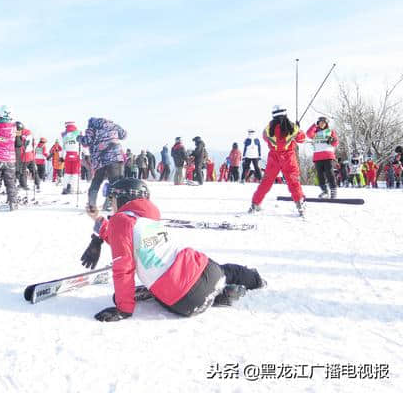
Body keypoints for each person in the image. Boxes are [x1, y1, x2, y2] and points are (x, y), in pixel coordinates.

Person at [80, 178, 266, 321]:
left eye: (112, 199)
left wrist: (123, 309)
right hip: (207, 270)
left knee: (159, 294)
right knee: (226, 270)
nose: (110, 205)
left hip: (184, 303)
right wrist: (99, 221)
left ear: (123, 198)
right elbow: (126, 239)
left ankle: (222, 296)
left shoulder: (121, 221)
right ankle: (255, 280)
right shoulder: (148, 218)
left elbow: (123, 268)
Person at [249, 106, 306, 216]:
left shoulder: (268, 128)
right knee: (293, 181)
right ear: (285, 114)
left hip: (273, 158)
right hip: (289, 157)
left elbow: (265, 138)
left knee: (266, 181)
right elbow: (302, 138)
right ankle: (300, 204)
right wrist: (298, 128)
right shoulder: (292, 127)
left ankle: (255, 204)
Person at [78, 117, 126, 209]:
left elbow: (87, 141)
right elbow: (124, 135)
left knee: (97, 181)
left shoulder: (92, 128)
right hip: (115, 157)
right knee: (115, 182)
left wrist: (79, 138)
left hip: (100, 159)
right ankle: (110, 204)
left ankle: (92, 204)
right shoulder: (114, 126)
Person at [306, 117, 339, 198]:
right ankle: (324, 191)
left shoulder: (330, 131)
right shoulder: (315, 132)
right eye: (320, 122)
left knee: (329, 173)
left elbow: (336, 142)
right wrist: (314, 125)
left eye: (324, 122)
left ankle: (333, 190)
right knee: (320, 175)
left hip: (328, 155)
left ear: (326, 124)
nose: (322, 124)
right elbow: (308, 134)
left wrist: (332, 140)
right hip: (318, 156)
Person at [61, 121, 81, 194]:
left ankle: (65, 188)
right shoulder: (78, 133)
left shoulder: (65, 135)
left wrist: (61, 156)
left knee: (67, 173)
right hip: (76, 155)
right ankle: (73, 188)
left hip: (67, 155)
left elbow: (63, 147)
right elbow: (81, 145)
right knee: (75, 173)